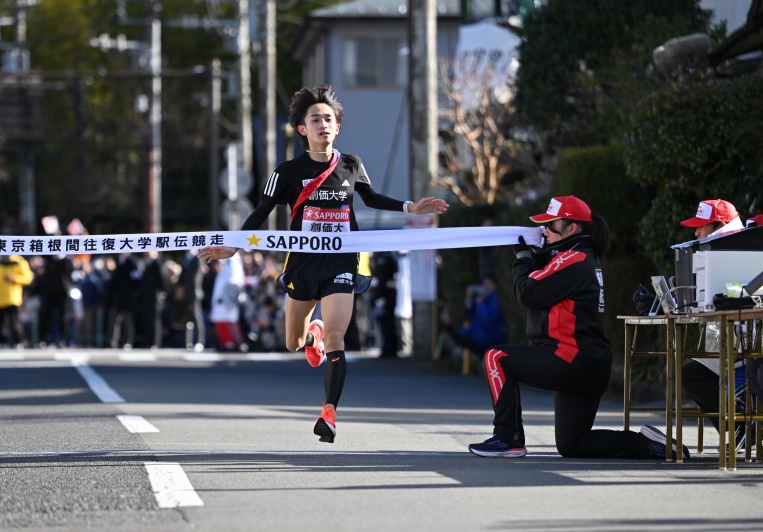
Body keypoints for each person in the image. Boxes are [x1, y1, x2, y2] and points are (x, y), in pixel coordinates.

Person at [199, 84, 448, 443]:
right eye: (315, 119)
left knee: (336, 336)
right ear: (302, 129)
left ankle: (328, 413)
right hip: (302, 263)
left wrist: (411, 207)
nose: (323, 125)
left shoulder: (351, 165)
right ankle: (310, 334)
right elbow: (261, 212)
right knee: (292, 342)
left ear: (338, 127)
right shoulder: (286, 171)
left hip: (342, 261)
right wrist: (233, 247)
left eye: (329, 119)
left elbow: (372, 198)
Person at [468, 195, 687, 459]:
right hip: (589, 363)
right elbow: (547, 288)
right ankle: (651, 445)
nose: (544, 231)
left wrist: (523, 258)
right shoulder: (583, 257)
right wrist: (535, 259)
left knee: (496, 357)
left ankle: (508, 438)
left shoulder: (571, 259)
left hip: (569, 358)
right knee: (573, 444)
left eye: (551, 225)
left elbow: (527, 292)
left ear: (571, 228)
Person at [677, 199, 749, 448]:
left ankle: (741, 427)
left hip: (745, 339)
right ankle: (740, 428)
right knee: (691, 371)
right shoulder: (717, 250)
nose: (696, 232)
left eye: (702, 226)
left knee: (691, 373)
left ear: (719, 225)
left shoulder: (739, 249)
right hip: (727, 335)